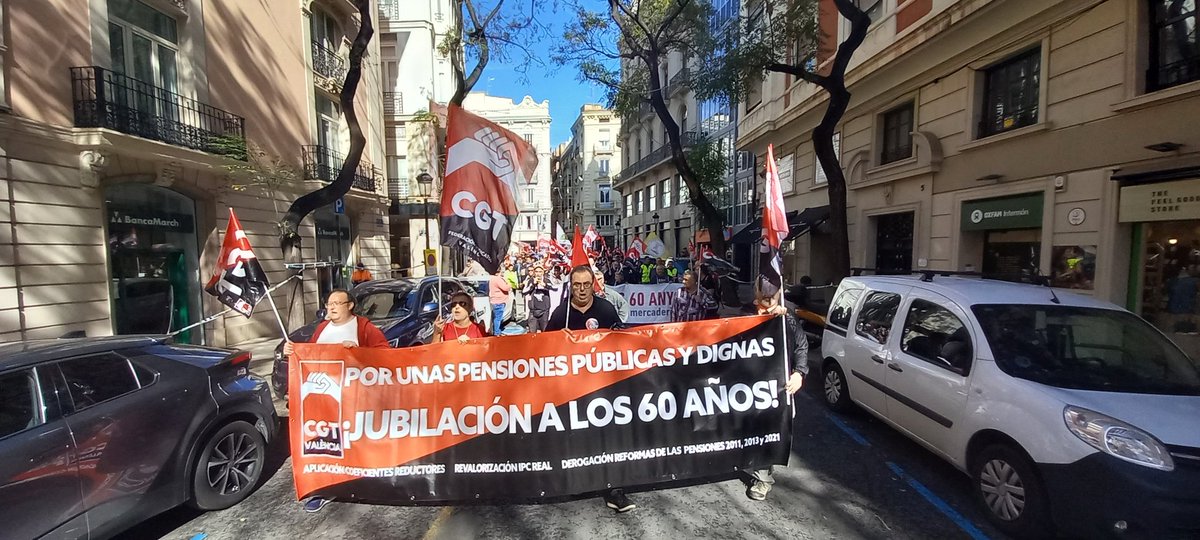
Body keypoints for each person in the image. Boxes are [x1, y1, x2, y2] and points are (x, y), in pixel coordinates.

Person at [281, 289, 389, 513]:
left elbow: (385, 354)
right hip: (325, 402)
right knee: (326, 445)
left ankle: (362, 478)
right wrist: (290, 351)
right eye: (328, 303)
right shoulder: (321, 329)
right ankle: (324, 488)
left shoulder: (364, 328)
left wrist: (360, 351)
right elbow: (307, 358)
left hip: (356, 399)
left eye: (336, 303)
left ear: (350, 305)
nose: (330, 307)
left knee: (355, 443)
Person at [544, 266, 631, 512]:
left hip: (604, 388)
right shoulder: (562, 314)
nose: (581, 290)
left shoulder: (605, 309)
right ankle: (575, 482)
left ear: (593, 284)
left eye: (585, 284)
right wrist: (555, 339)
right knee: (577, 439)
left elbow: (623, 343)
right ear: (570, 286)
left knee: (609, 439)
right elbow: (543, 351)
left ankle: (615, 489)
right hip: (572, 390)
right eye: (576, 285)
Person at [744, 280, 808, 501]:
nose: (768, 301)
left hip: (776, 386)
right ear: (756, 294)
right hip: (746, 385)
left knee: (770, 429)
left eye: (772, 296)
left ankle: (763, 479)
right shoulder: (746, 313)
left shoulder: (787, 318)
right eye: (764, 296)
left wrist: (799, 373)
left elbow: (801, 345)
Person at [523, 264, 553, 333]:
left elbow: (555, 289)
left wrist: (545, 285)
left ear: (543, 272)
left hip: (544, 311)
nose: (538, 274)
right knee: (532, 333)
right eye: (536, 271)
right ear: (534, 272)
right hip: (533, 311)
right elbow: (524, 291)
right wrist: (533, 284)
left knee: (545, 332)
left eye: (540, 271)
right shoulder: (530, 280)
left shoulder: (547, 280)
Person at [488, 270, 512, 335]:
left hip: (495, 300)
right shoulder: (497, 279)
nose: (503, 273)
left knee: (496, 317)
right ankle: (497, 332)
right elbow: (505, 288)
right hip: (499, 301)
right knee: (498, 318)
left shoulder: (492, 279)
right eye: (502, 272)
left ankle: (495, 330)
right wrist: (509, 284)